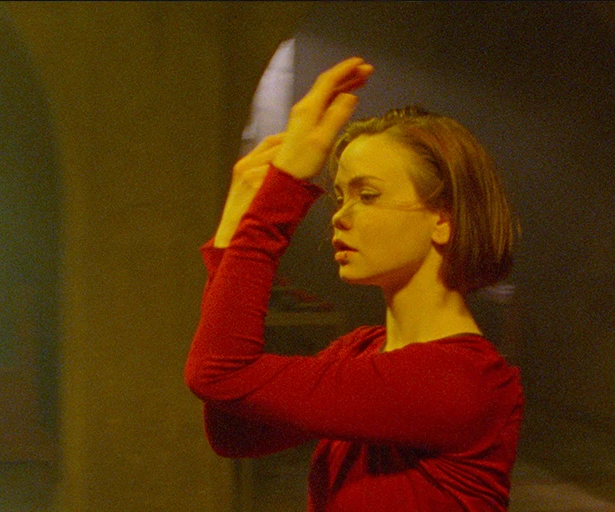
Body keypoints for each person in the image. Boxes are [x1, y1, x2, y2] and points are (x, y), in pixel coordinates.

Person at [185, 57, 523, 511]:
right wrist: (231, 234)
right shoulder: (361, 352)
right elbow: (233, 430)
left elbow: (220, 372)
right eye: (341, 196)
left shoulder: (460, 379)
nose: (340, 216)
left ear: (443, 219)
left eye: (368, 195)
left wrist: (278, 198)